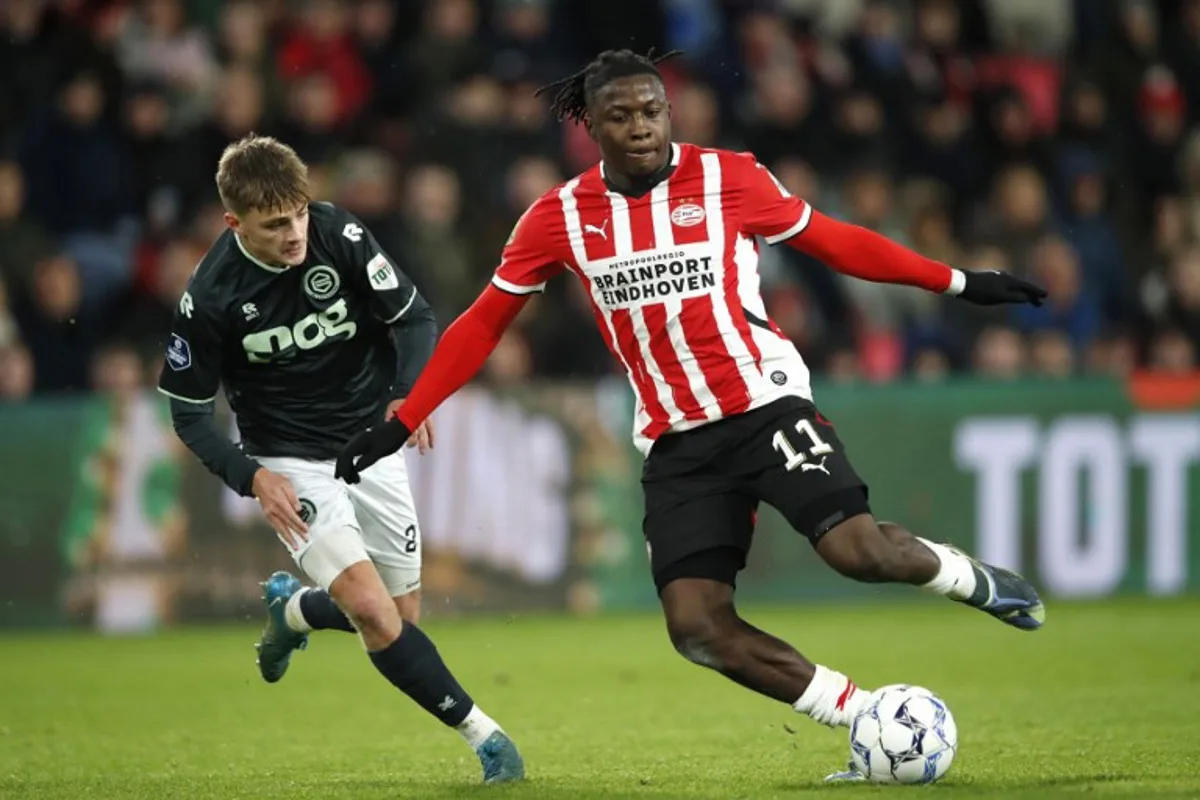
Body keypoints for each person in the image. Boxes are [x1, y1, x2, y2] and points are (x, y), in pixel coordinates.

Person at [334, 51, 1047, 779]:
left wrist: (959, 281)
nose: (641, 127)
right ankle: (862, 715)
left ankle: (970, 579)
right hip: (676, 440)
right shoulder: (558, 217)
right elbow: (484, 323)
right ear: (592, 129)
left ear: (669, 114)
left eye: (652, 111)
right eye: (621, 115)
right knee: (697, 629)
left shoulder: (729, 177)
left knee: (857, 553)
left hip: (764, 404)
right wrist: (402, 418)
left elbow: (833, 241)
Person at [156, 135, 524, 784]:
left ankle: (293, 611)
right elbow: (188, 414)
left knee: (400, 619)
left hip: (368, 444)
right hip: (287, 459)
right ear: (233, 223)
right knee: (377, 615)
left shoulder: (337, 232)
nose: (295, 232)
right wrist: (252, 475)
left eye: (299, 213)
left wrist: (409, 393)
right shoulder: (210, 296)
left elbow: (412, 319)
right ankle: (487, 739)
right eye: (275, 225)